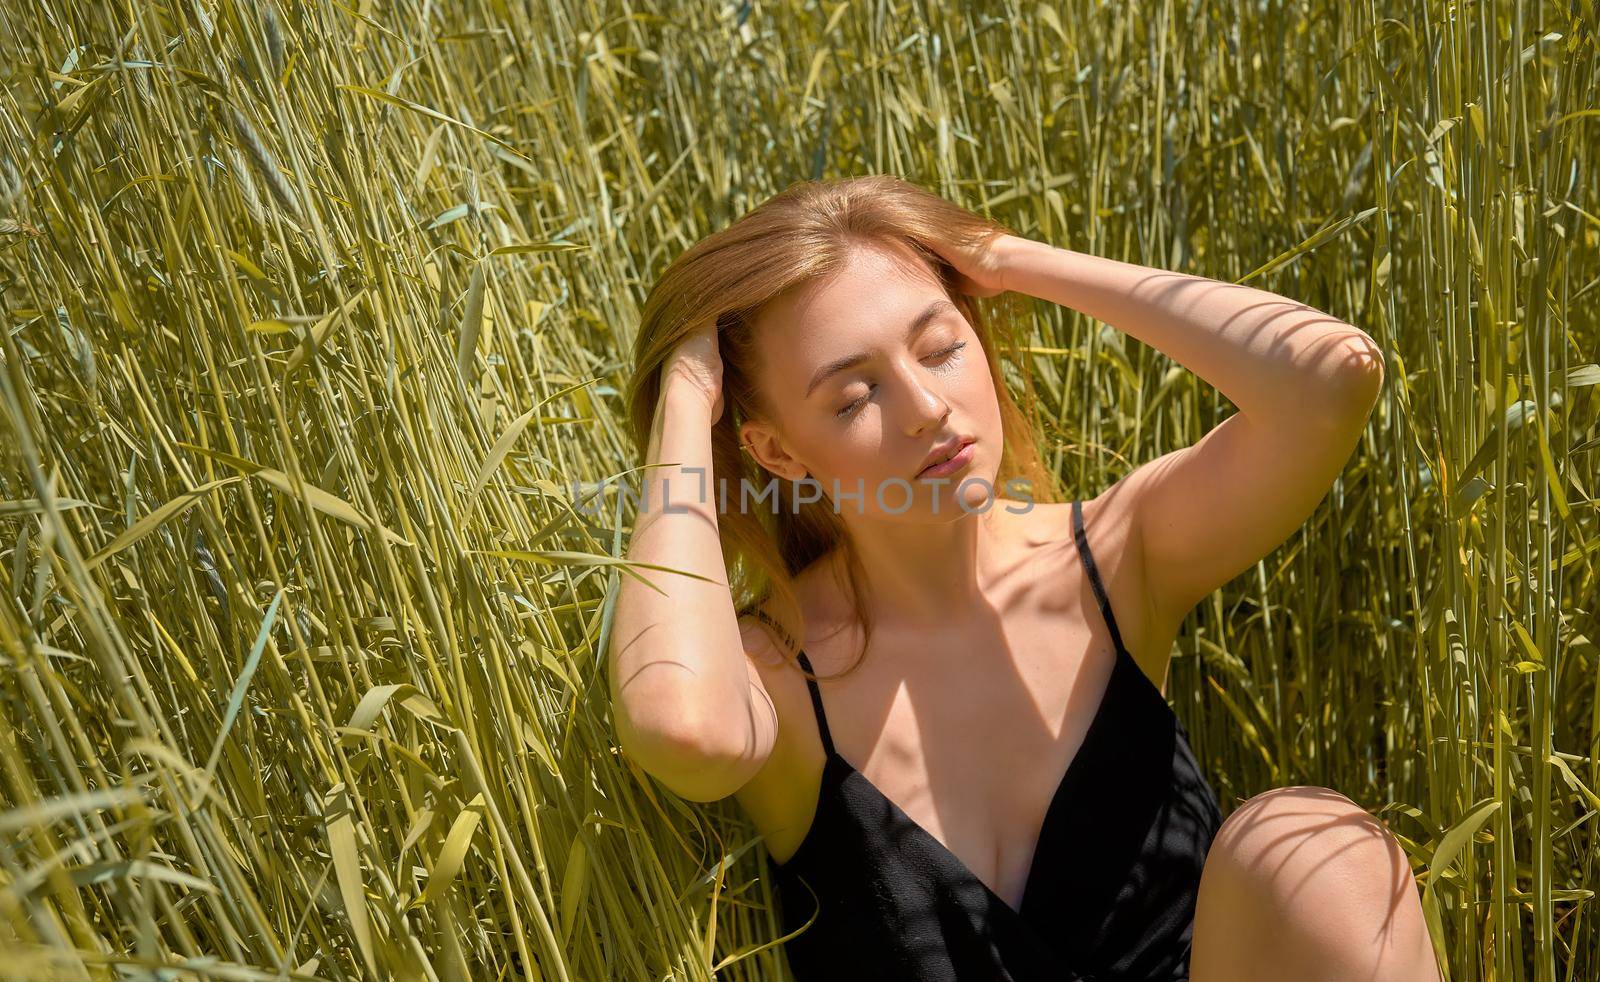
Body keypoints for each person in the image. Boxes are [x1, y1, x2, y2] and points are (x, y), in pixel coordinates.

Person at [609, 175, 1441, 981]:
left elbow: (1329, 375)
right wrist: (687, 397)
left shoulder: (1115, 557)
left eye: (940, 348)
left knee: (1315, 844)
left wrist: (1006, 258)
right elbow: (680, 727)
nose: (926, 408)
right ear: (779, 452)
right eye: (856, 396)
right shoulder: (779, 673)